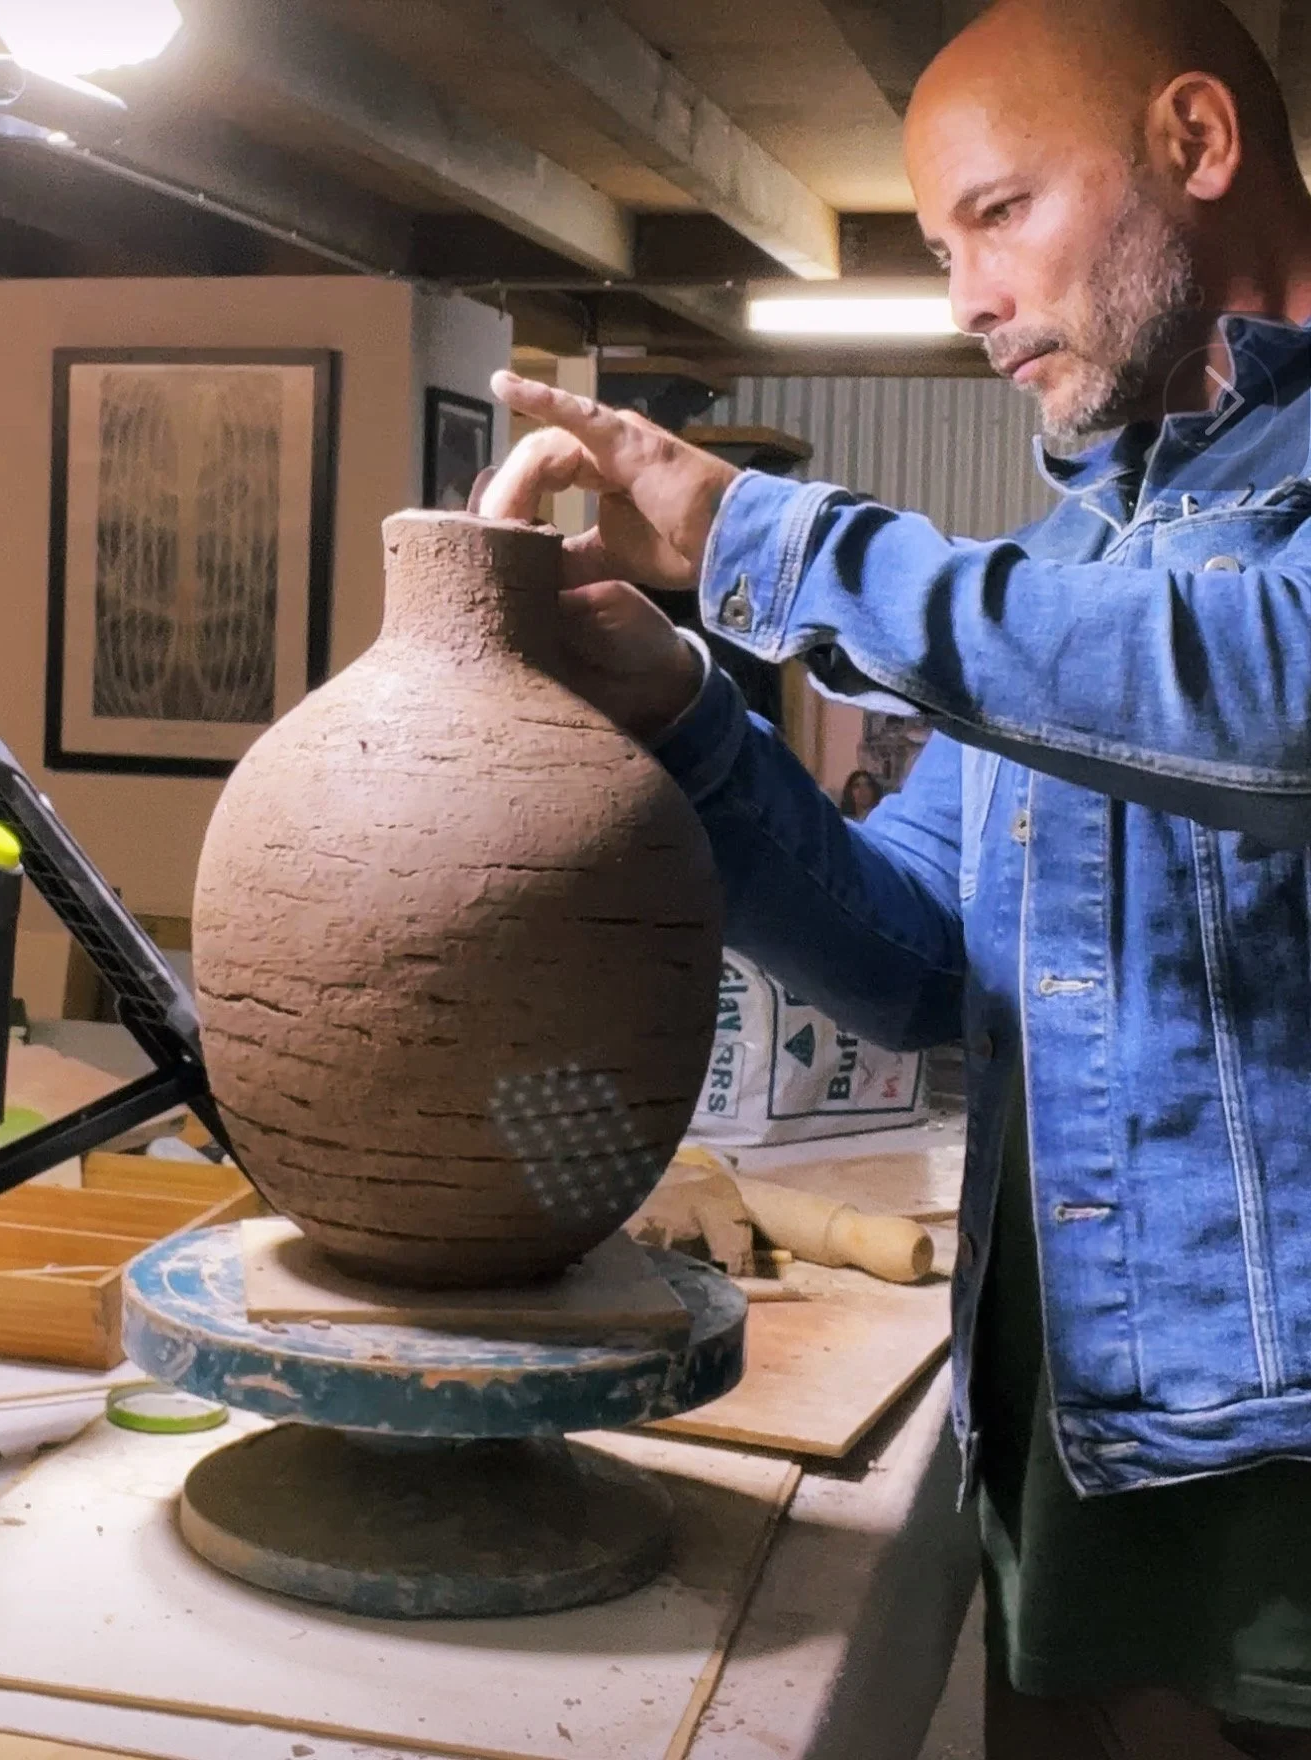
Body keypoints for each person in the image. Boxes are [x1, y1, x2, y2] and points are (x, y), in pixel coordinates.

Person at [481, 1, 1311, 1752]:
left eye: (998, 214)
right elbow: (914, 956)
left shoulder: (1185, 588)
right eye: (940, 245)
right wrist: (694, 717)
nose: (966, 298)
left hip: (1284, 1501)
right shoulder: (1064, 571)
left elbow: (1261, 694)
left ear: (1199, 142)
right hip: (1073, 1469)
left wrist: (750, 535)